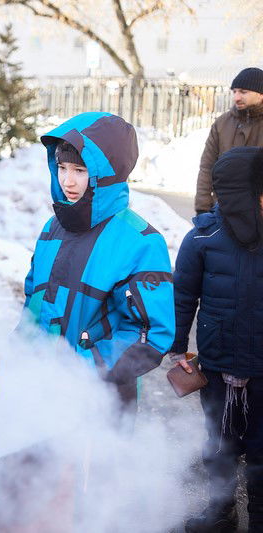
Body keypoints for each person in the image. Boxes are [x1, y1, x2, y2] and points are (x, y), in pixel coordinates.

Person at [20, 112, 175, 413]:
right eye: (61, 167)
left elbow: (150, 332)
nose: (67, 180)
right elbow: (33, 303)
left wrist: (87, 370)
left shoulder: (139, 241)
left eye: (80, 170)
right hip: (41, 388)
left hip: (99, 398)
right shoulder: (52, 228)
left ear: (107, 175)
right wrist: (18, 355)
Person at [172, 146, 263, 533]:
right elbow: (183, 294)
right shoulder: (204, 235)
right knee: (219, 445)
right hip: (219, 363)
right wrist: (177, 345)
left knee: (262, 449)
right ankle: (220, 512)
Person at [194, 67, 263, 214]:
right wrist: (202, 208)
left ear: (261, 94)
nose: (237, 97)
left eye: (243, 92)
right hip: (223, 211)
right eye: (234, 91)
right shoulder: (222, 123)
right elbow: (207, 167)